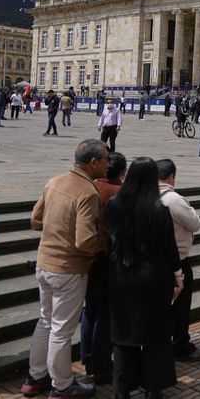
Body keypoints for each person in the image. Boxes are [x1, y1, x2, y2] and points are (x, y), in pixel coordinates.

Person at [21, 140, 108, 399]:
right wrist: (101, 247)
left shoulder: (55, 181)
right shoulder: (87, 192)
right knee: (61, 328)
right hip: (69, 268)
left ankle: (35, 377)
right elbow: (84, 240)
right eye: (105, 159)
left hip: (45, 262)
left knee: (45, 321)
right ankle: (61, 384)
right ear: (93, 162)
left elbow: (36, 220)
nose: (107, 164)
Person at [106, 158, 182, 399]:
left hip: (122, 273)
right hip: (153, 276)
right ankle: (153, 386)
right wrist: (178, 275)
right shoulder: (159, 209)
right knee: (155, 335)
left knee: (123, 333)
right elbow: (170, 248)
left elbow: (110, 240)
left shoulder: (114, 204)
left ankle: (122, 388)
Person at [81, 152, 126, 384]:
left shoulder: (89, 187)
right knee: (106, 314)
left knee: (90, 309)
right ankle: (100, 365)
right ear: (122, 173)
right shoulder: (119, 194)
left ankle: (88, 357)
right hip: (109, 259)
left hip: (89, 258)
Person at [157, 159, 200, 362]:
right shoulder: (174, 199)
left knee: (163, 306)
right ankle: (181, 343)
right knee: (180, 305)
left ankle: (164, 341)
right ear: (172, 177)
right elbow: (195, 224)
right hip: (177, 260)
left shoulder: (146, 196)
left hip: (156, 262)